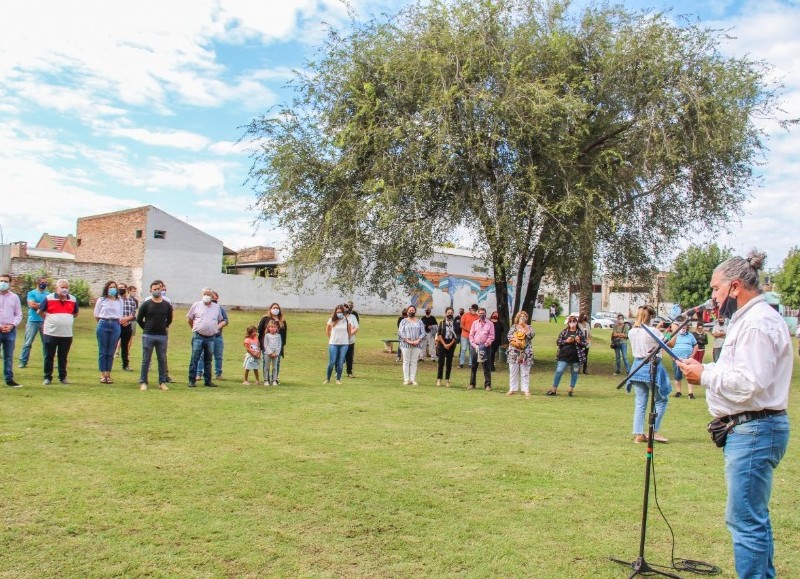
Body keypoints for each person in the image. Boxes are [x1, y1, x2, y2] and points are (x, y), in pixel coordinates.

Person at [677, 251, 791, 579]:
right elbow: (736, 370)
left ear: (736, 286)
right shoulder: (747, 320)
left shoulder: (757, 323)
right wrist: (703, 368)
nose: (712, 297)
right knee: (752, 518)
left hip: (755, 429)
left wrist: (706, 376)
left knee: (745, 521)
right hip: (749, 429)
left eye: (715, 289)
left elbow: (751, 384)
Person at [627, 305, 670, 443]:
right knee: (661, 399)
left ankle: (639, 434)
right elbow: (668, 343)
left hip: (637, 367)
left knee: (640, 402)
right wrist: (670, 331)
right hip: (651, 366)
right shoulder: (653, 331)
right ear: (650, 317)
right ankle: (654, 430)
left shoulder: (632, 331)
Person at [38, 279, 79, 385]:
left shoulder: (73, 299)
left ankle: (62, 377)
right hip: (50, 333)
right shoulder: (48, 298)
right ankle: (47, 377)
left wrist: (65, 320)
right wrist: (50, 320)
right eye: (62, 287)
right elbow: (40, 311)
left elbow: (75, 313)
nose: (64, 289)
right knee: (49, 356)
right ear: (57, 288)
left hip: (66, 334)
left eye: (66, 287)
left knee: (63, 356)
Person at [136, 281, 172, 391]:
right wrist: (146, 328)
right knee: (146, 359)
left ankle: (162, 382)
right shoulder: (146, 304)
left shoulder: (166, 305)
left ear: (162, 289)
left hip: (162, 336)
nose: (157, 291)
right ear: (151, 290)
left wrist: (163, 327)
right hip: (148, 335)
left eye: (158, 288)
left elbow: (169, 320)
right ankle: (143, 381)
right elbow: (139, 319)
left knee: (162, 359)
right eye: (154, 289)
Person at [186, 288, 225, 387]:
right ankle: (192, 380)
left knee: (208, 360)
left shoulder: (216, 307)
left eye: (208, 294)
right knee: (195, 358)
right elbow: (189, 319)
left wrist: (215, 328)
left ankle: (208, 380)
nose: (206, 296)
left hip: (211, 337)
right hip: (198, 336)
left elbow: (220, 319)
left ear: (212, 297)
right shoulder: (196, 305)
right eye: (205, 294)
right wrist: (194, 328)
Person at [546, 315, 586, 396]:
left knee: (574, 373)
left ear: (576, 322)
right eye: (570, 321)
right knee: (559, 371)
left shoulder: (579, 333)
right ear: (568, 323)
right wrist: (566, 341)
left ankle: (571, 390)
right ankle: (554, 389)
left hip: (576, 357)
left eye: (574, 321)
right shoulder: (564, 332)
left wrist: (579, 342)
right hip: (563, 356)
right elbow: (558, 342)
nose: (572, 323)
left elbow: (585, 344)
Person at [94, 280, 123, 384]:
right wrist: (103, 322)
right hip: (103, 323)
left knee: (111, 351)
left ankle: (108, 374)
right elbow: (96, 315)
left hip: (115, 325)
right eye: (110, 287)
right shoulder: (102, 300)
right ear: (107, 289)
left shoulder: (119, 300)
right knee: (103, 351)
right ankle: (102, 374)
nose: (112, 289)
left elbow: (120, 314)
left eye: (114, 287)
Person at [18, 275, 48, 369]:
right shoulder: (32, 293)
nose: (44, 284)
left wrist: (38, 304)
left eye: (45, 282)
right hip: (33, 321)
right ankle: (23, 361)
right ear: (37, 283)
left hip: (44, 321)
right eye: (42, 282)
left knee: (47, 343)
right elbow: (32, 305)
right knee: (28, 342)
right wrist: (43, 305)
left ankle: (48, 362)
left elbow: (49, 306)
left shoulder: (48, 294)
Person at [197, 291, 228, 381]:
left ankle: (218, 374)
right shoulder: (202, 307)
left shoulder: (220, 309)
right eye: (212, 297)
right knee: (202, 356)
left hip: (217, 336)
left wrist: (218, 327)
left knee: (218, 356)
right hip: (207, 336)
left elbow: (225, 320)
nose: (214, 299)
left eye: (215, 297)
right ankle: (199, 373)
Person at [0, 273, 23, 387]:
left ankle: (9, 379)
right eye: (1, 281)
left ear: (10, 283)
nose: (3, 283)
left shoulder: (14, 297)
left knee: (8, 356)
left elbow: (18, 314)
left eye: (5, 281)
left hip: (10, 331)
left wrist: (12, 325)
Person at [665, 320, 698, 399]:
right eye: (681, 327)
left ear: (686, 328)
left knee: (689, 375)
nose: (683, 329)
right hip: (676, 359)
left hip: (687, 359)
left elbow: (696, 345)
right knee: (677, 376)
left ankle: (690, 393)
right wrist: (672, 356)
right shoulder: (672, 335)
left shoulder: (690, 335)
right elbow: (665, 341)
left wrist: (692, 355)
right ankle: (678, 392)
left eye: (684, 327)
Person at [506, 311, 534, 398]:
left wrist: (524, 327)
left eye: (524, 316)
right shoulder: (514, 327)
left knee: (525, 372)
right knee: (513, 371)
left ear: (526, 318)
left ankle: (526, 390)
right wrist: (515, 340)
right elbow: (509, 336)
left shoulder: (529, 327)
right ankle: (512, 389)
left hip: (525, 352)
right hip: (514, 352)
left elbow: (531, 335)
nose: (522, 318)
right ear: (517, 317)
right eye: (520, 316)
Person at [258, 303, 287, 385]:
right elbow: (259, 331)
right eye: (274, 307)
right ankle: (266, 380)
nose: (276, 309)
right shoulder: (265, 318)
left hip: (277, 346)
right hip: (266, 345)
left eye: (277, 308)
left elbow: (284, 335)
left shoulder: (282, 320)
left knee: (276, 364)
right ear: (270, 308)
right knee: (266, 364)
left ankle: (275, 379)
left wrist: (280, 347)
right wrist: (260, 345)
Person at [468, 307, 495, 390]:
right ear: (478, 314)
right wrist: (474, 344)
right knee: (473, 366)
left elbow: (492, 336)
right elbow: (471, 335)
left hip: (485, 347)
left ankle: (487, 385)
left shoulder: (490, 323)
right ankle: (472, 384)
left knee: (486, 366)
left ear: (486, 314)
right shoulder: (475, 323)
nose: (482, 315)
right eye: (480, 313)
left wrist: (486, 344)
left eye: (483, 314)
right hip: (475, 347)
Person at [398, 305, 425, 385]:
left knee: (414, 362)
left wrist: (418, 340)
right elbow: (401, 332)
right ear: (407, 311)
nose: (411, 311)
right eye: (410, 310)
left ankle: (412, 379)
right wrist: (408, 341)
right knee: (406, 362)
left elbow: (423, 332)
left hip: (417, 345)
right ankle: (406, 379)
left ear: (415, 311)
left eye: (413, 310)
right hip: (406, 345)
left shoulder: (419, 321)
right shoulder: (403, 321)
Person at [325, 305, 351, 384]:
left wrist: (346, 339)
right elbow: (327, 331)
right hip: (333, 343)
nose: (339, 313)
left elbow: (349, 332)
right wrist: (331, 338)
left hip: (344, 344)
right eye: (337, 312)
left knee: (340, 362)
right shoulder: (331, 320)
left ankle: (338, 379)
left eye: (340, 312)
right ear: (335, 312)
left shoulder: (347, 320)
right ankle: (328, 379)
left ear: (343, 312)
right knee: (332, 361)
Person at [435, 307, 459, 387]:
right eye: (448, 312)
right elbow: (439, 334)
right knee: (441, 362)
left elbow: (456, 336)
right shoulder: (442, 322)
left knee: (449, 363)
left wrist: (449, 344)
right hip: (442, 343)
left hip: (451, 344)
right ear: (445, 313)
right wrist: (444, 344)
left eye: (451, 313)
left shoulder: (455, 323)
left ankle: (447, 380)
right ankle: (439, 379)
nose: (450, 314)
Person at [117, 282, 138, 372]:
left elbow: (133, 313)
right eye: (119, 287)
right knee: (111, 345)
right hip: (116, 325)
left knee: (125, 346)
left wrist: (126, 319)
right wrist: (120, 320)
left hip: (127, 325)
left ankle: (125, 365)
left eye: (122, 287)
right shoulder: (115, 300)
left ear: (126, 289)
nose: (121, 289)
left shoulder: (131, 301)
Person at [458, 304, 479, 368]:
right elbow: (461, 325)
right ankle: (461, 363)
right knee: (463, 349)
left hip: (473, 336)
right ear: (470, 309)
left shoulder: (477, 316)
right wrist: (469, 330)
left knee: (471, 350)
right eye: (473, 310)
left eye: (475, 310)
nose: (474, 311)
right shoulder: (465, 315)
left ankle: (470, 364)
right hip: (464, 335)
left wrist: (474, 332)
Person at [263, 320, 282, 385]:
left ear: (276, 328)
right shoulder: (267, 335)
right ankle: (266, 380)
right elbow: (265, 345)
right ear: (268, 328)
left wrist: (276, 353)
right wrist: (270, 353)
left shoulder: (278, 336)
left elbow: (279, 345)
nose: (273, 328)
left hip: (276, 354)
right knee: (266, 367)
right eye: (271, 327)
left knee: (274, 367)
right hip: (268, 354)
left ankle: (274, 380)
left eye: (274, 327)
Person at [343, 302, 359, 377]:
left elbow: (356, 327)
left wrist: (349, 334)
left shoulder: (353, 317)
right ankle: (338, 371)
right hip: (341, 341)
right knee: (340, 357)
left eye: (346, 309)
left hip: (350, 341)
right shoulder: (339, 317)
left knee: (349, 357)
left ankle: (349, 372)